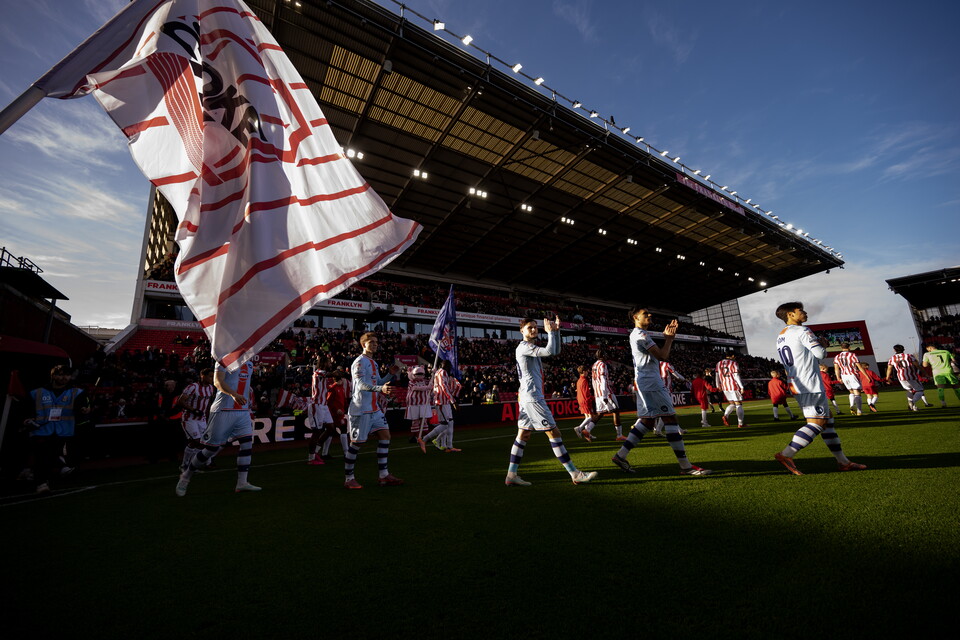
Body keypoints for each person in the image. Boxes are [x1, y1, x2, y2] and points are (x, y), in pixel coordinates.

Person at [611, 308, 711, 477]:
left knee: (648, 421)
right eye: (645, 314)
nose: (650, 315)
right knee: (670, 418)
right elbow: (663, 356)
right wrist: (669, 339)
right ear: (635, 317)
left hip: (644, 381)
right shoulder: (641, 335)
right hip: (651, 382)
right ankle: (685, 466)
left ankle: (620, 456)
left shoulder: (637, 334)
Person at [772, 302, 866, 476]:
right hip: (809, 383)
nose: (805, 312)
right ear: (791, 314)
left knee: (828, 423)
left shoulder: (781, 335)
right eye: (801, 310)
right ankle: (786, 454)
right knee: (818, 423)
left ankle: (843, 462)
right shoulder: (803, 330)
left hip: (797, 381)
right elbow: (820, 354)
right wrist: (822, 344)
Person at [505, 316, 597, 486]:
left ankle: (511, 475)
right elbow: (550, 352)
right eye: (529, 327)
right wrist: (552, 334)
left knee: (523, 435)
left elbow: (555, 351)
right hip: (533, 399)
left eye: (535, 327)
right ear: (521, 331)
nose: (533, 329)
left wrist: (556, 332)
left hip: (527, 397)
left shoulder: (527, 347)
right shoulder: (525, 347)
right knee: (554, 433)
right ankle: (574, 473)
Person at [176, 360, 261, 496]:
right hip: (223, 410)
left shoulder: (249, 363)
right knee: (211, 449)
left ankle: (242, 483)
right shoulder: (224, 360)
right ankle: (185, 477)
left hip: (242, 411)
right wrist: (234, 394)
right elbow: (217, 382)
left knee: (247, 445)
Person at [344, 332, 402, 489]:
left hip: (374, 409)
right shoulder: (360, 362)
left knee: (385, 436)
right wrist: (380, 388)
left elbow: (378, 384)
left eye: (376, 342)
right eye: (372, 342)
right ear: (364, 345)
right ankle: (349, 478)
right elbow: (361, 384)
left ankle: (383, 475)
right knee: (356, 444)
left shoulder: (373, 363)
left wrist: (389, 375)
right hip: (361, 409)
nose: (375, 344)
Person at [24, 365, 88, 494]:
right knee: (42, 455)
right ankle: (42, 483)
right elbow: (26, 410)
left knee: (51, 454)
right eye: (60, 374)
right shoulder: (36, 392)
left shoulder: (76, 392)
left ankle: (39, 473)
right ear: (53, 375)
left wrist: (84, 410)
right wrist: (26, 419)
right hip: (41, 429)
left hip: (63, 430)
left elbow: (83, 406)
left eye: (67, 375)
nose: (64, 377)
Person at [177, 368, 214, 472]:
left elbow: (208, 403)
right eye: (210, 376)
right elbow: (180, 401)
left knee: (203, 442)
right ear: (203, 376)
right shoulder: (193, 387)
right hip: (189, 418)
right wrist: (194, 410)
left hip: (202, 419)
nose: (212, 378)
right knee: (195, 441)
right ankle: (184, 466)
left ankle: (193, 465)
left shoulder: (211, 388)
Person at [419, 360, 461, 452]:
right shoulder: (443, 372)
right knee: (445, 424)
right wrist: (453, 401)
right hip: (442, 401)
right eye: (449, 365)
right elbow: (443, 387)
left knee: (450, 423)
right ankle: (425, 439)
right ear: (444, 365)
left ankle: (449, 446)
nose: (450, 367)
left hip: (444, 401)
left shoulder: (438, 372)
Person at [884, 344, 931, 411]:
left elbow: (889, 368)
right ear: (903, 349)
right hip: (912, 376)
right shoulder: (909, 356)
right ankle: (912, 402)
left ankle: (913, 407)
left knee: (909, 390)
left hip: (901, 377)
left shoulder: (892, 358)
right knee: (920, 390)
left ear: (894, 350)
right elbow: (918, 366)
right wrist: (926, 374)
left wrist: (887, 378)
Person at [591, 350, 625, 440]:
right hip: (606, 392)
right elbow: (603, 379)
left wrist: (597, 392)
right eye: (605, 354)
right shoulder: (602, 364)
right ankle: (619, 435)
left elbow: (593, 380)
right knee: (616, 411)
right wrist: (605, 395)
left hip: (597, 392)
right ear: (602, 355)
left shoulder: (594, 365)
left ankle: (587, 429)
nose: (606, 356)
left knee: (600, 413)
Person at [653, 360, 686, 436]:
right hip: (666, 391)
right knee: (668, 410)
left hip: (656, 390)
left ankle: (679, 430)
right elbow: (676, 374)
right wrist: (683, 379)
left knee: (664, 410)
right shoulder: (667, 364)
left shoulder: (654, 365)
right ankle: (658, 430)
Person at [716, 354, 747, 428]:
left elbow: (716, 375)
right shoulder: (733, 363)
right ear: (732, 356)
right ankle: (741, 424)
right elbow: (736, 376)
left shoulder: (718, 363)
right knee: (738, 404)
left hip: (725, 387)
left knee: (732, 404)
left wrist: (718, 385)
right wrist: (741, 386)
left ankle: (725, 416)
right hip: (733, 386)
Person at [405, 365, 434, 443]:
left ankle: (425, 436)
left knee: (424, 420)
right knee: (415, 421)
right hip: (414, 403)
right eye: (418, 374)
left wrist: (433, 373)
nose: (420, 376)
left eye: (421, 374)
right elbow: (416, 388)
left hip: (424, 403)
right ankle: (416, 436)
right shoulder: (411, 382)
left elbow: (432, 381)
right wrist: (428, 387)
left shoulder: (424, 381)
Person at [833, 343, 864, 416]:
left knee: (851, 391)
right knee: (857, 392)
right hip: (852, 374)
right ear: (849, 347)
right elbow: (859, 367)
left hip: (844, 375)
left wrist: (838, 377)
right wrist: (867, 376)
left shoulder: (837, 356)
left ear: (841, 348)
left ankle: (852, 405)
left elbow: (836, 368)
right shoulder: (853, 355)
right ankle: (859, 411)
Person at [574, 365, 599, 442]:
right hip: (585, 401)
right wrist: (591, 398)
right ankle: (579, 428)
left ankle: (588, 434)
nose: (588, 372)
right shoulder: (584, 380)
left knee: (587, 417)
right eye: (587, 371)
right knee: (590, 417)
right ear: (584, 372)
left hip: (581, 400)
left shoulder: (578, 381)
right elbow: (585, 393)